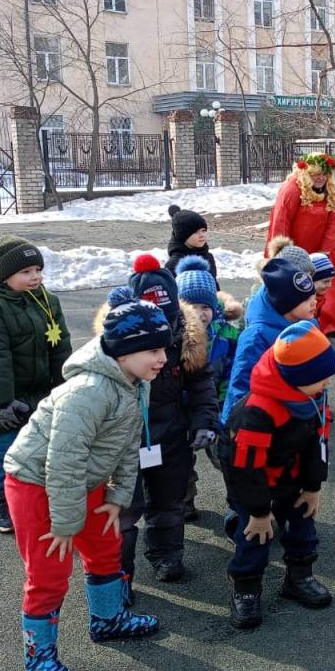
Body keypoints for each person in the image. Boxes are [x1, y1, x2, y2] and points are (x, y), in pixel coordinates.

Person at [3, 287, 169, 671]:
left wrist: (116, 497)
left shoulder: (134, 380)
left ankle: (107, 619)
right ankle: (39, 654)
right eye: (152, 350)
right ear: (123, 352)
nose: (162, 359)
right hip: (37, 483)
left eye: (163, 349)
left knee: (105, 546)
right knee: (49, 571)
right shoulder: (89, 391)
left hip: (82, 482)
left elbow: (129, 444)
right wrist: (65, 523)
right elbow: (62, 462)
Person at [219, 320, 335, 629]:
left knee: (303, 528)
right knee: (255, 537)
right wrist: (259, 512)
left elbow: (317, 443)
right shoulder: (258, 411)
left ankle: (299, 577)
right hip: (255, 484)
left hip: (292, 478)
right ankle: (245, 589)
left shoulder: (312, 397)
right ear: (295, 380)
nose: (326, 385)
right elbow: (245, 467)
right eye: (320, 379)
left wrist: (312, 487)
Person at [113, 255, 219, 596]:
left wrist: (204, 421)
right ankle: (117, 574)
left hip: (171, 435)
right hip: (125, 441)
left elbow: (201, 383)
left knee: (169, 499)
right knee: (122, 509)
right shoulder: (116, 346)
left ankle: (166, 555)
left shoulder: (187, 337)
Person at [0, 236, 71, 534]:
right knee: (7, 448)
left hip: (40, 393)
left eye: (38, 270)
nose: (35, 277)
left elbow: (61, 346)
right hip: (3, 395)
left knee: (42, 448)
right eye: (25, 272)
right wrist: (1, 402)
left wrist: (65, 387)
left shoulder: (47, 300)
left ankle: (34, 499)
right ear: (4, 275)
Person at [175, 256, 241, 521]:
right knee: (180, 463)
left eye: (206, 306)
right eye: (191, 305)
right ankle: (184, 501)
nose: (200, 312)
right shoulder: (173, 337)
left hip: (216, 408)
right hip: (180, 410)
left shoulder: (227, 334)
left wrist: (224, 402)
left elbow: (233, 370)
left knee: (226, 457)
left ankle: (238, 500)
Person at [224, 258, 318, 421]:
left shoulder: (308, 325)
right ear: (286, 304)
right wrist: (233, 423)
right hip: (263, 418)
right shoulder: (256, 336)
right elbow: (242, 381)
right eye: (306, 300)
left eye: (313, 296)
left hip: (296, 412)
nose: (314, 302)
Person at [266, 152, 335, 335]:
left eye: (325, 174)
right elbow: (281, 221)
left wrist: (324, 250)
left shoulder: (331, 192)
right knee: (293, 281)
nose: (321, 178)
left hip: (322, 246)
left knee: (326, 281)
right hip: (295, 246)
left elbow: (333, 224)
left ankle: (329, 322)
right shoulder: (292, 190)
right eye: (316, 174)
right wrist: (283, 252)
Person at [166, 205, 216, 277]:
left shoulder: (208, 257)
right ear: (183, 235)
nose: (202, 235)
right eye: (196, 232)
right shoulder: (174, 263)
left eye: (203, 230)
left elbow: (214, 283)